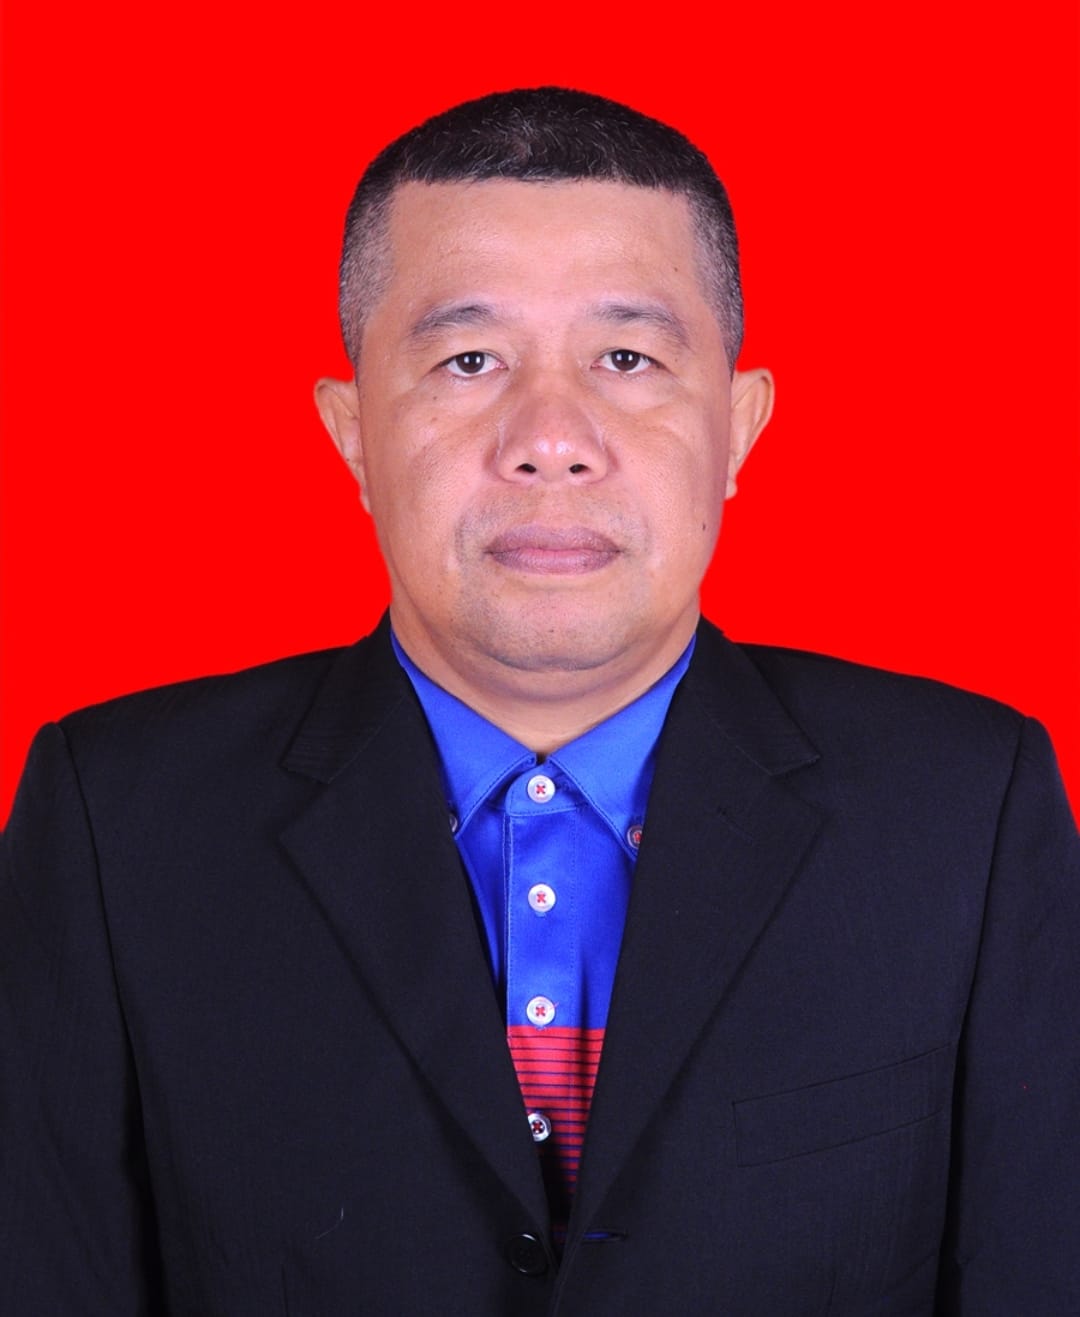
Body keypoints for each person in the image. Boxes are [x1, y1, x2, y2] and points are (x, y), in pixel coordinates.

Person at [1, 87, 1078, 1316]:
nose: (550, 440)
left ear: (738, 426)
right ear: (352, 433)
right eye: (469, 360)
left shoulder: (965, 810)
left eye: (627, 359)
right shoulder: (118, 821)